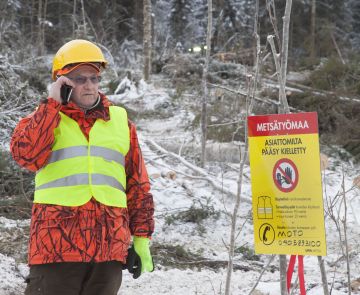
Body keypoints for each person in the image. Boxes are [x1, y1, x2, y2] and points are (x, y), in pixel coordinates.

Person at [10, 39, 155, 295]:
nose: (89, 85)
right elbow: (25, 156)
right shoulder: (41, 118)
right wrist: (52, 105)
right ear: (61, 81)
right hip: (55, 249)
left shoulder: (120, 121)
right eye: (79, 78)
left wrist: (142, 238)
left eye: (94, 78)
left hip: (108, 249)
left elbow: (138, 183)